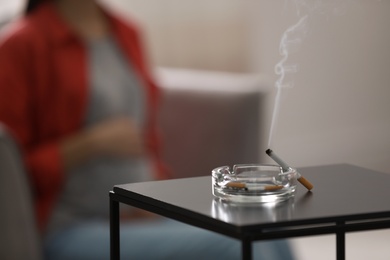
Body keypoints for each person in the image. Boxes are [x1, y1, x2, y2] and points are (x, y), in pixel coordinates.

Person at [0, 0, 295, 259]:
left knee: (265, 226)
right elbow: (11, 174)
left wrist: (158, 196)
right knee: (232, 247)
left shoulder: (125, 33)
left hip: (143, 211)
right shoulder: (20, 45)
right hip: (72, 225)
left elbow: (147, 135)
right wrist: (90, 144)